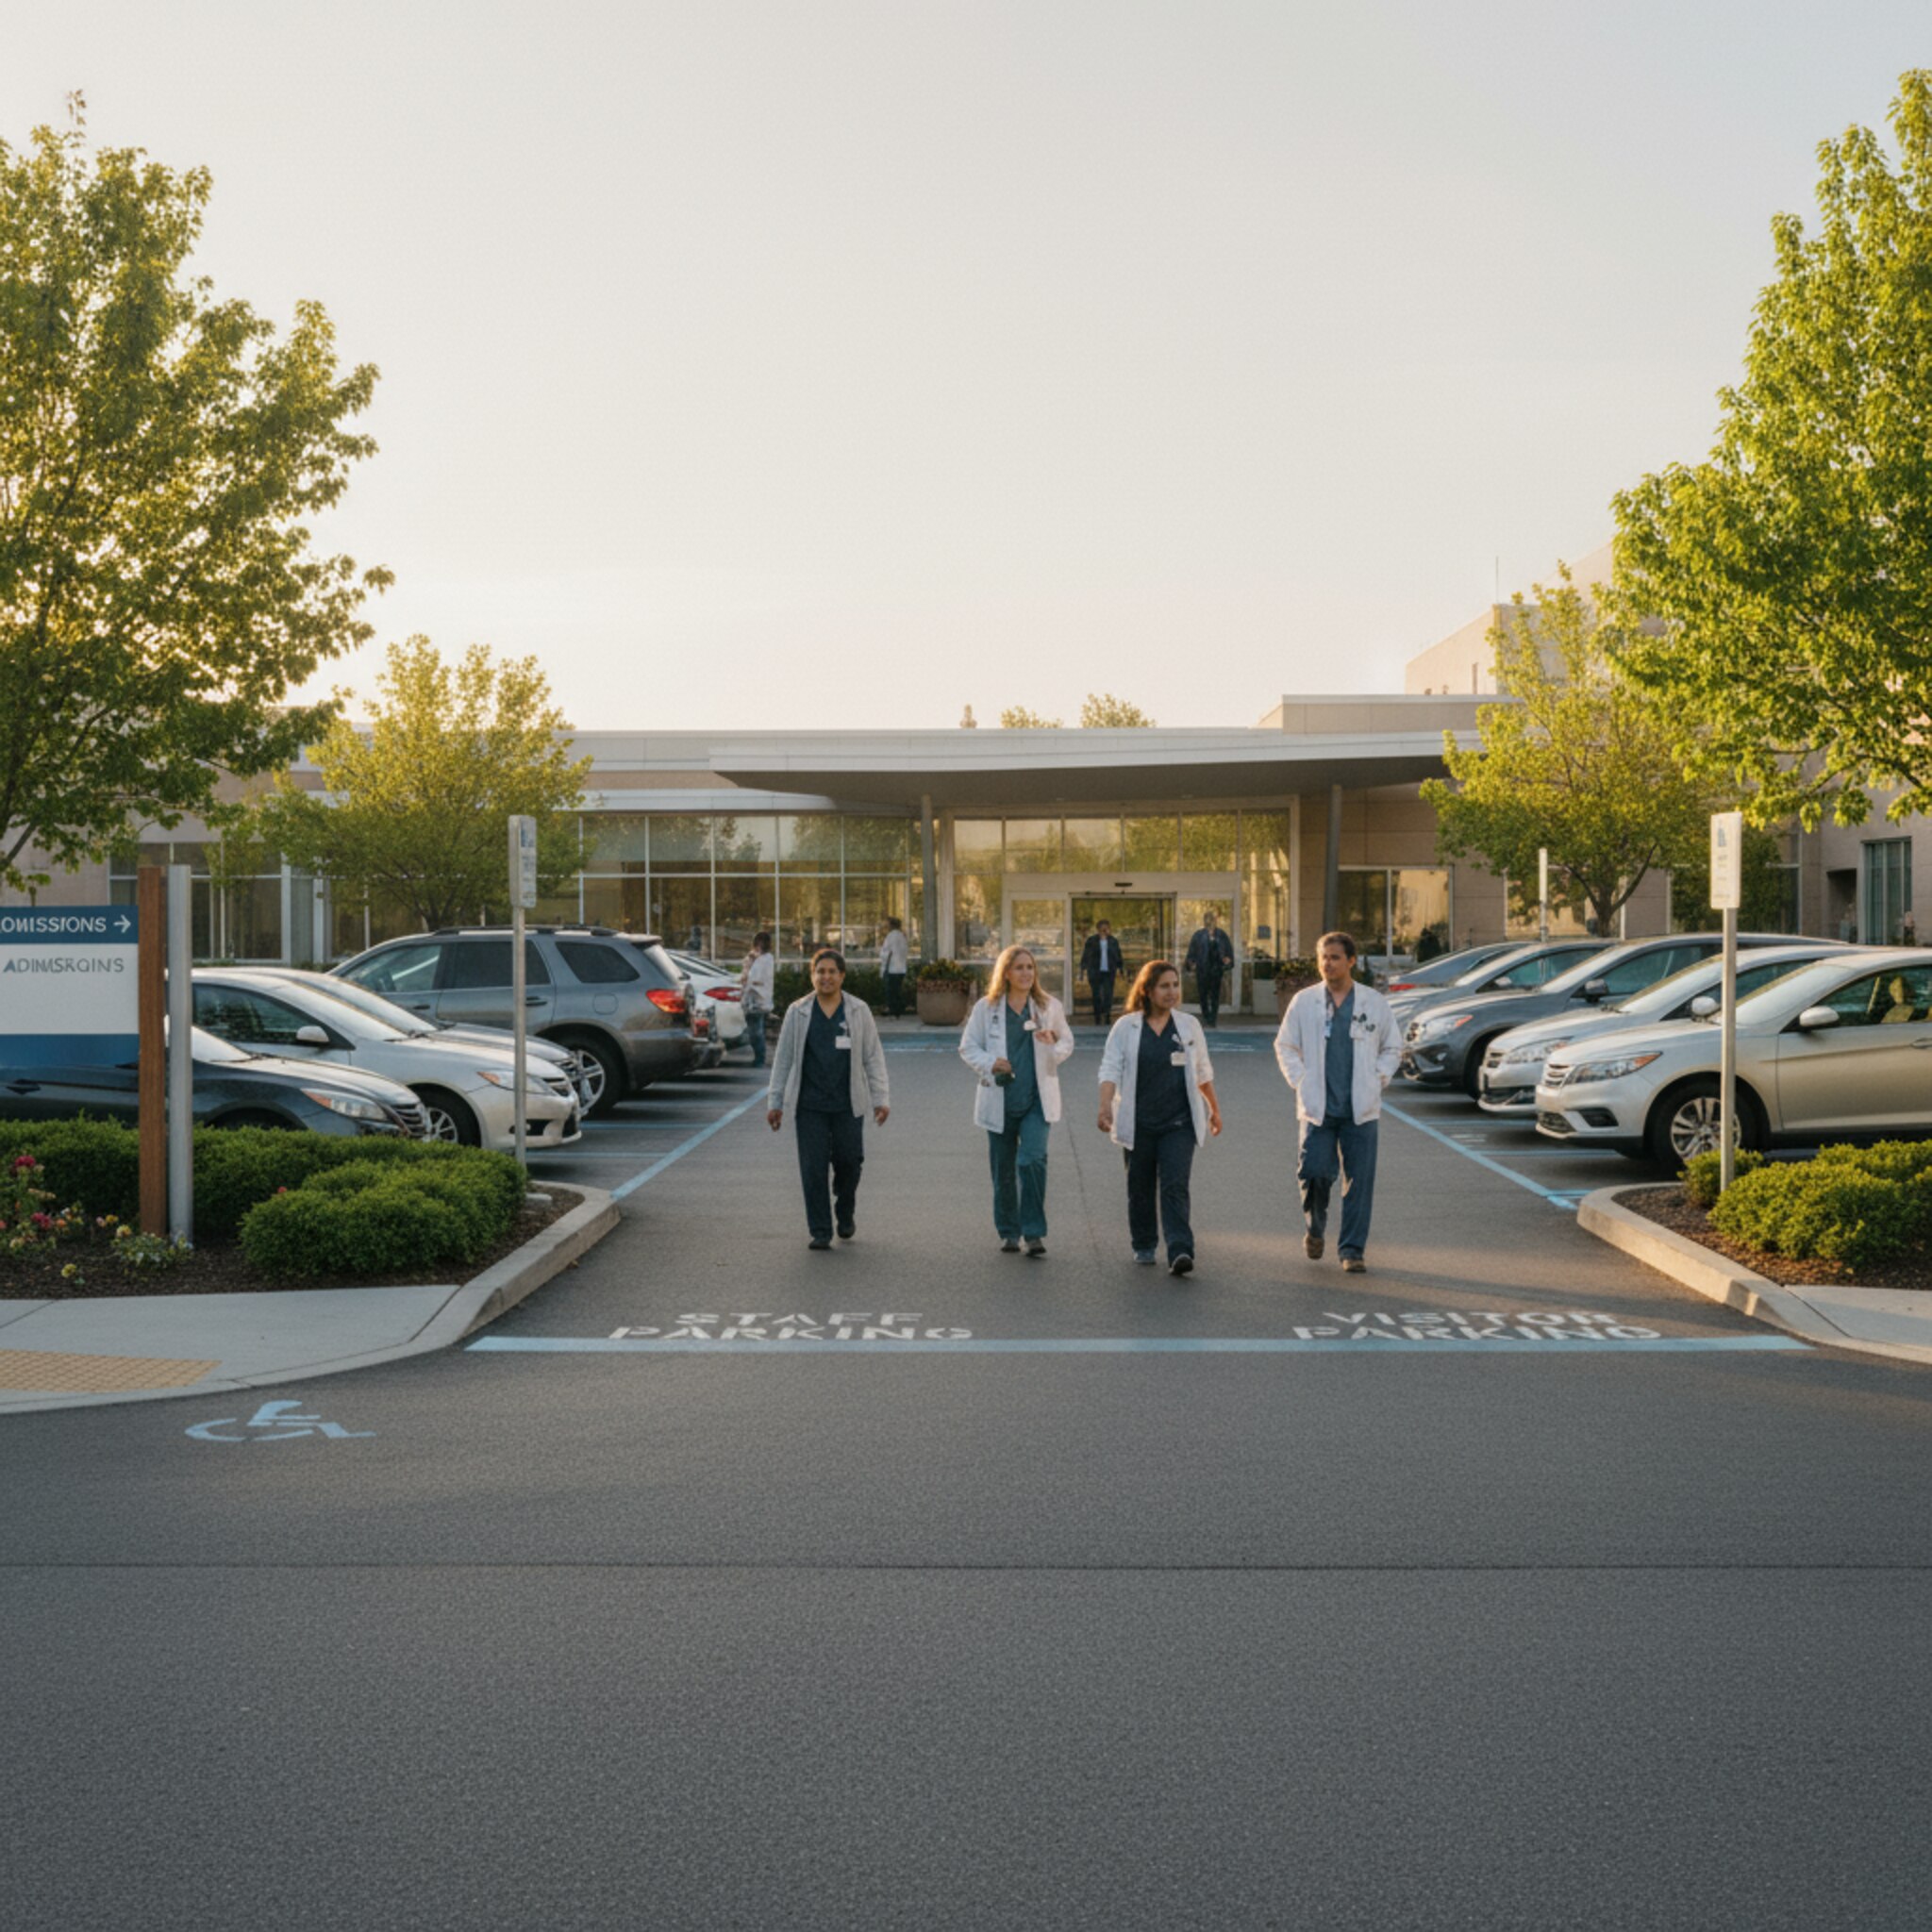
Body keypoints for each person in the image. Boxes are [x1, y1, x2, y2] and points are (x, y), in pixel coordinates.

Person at [1274, 929, 1402, 1274]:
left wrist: (1379, 1077)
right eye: (1322, 958)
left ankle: (1352, 1249)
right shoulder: (1305, 1001)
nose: (1327, 964)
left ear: (1351, 961)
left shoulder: (1373, 1003)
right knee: (1314, 1172)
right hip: (1318, 1107)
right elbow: (1284, 1045)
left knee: (1359, 1181)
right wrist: (1299, 1079)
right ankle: (1315, 1227)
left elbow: (1393, 1046)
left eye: (1334, 957)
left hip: (1360, 1109)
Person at [1097, 959, 1223, 1276]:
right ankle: (1144, 1243)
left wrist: (1213, 1109)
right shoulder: (1126, 1028)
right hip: (1138, 1123)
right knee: (1139, 1187)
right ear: (1148, 991)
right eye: (1164, 986)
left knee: (1174, 1185)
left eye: (1176, 985)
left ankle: (1180, 1249)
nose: (1172, 992)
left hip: (1178, 1123)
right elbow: (1110, 1069)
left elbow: (1202, 1071)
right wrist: (1105, 1106)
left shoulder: (1189, 1025)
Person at [766, 949, 890, 1250]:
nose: (826, 977)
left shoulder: (858, 1011)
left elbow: (873, 1057)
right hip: (810, 1106)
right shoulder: (799, 1011)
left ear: (842, 976)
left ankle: (844, 1209)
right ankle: (820, 1230)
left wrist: (880, 1098)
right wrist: (775, 1101)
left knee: (850, 1162)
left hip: (849, 1103)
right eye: (820, 971)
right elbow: (783, 1059)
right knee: (813, 1168)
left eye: (832, 971)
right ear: (812, 976)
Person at [958, 944, 1074, 1257]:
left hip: (1037, 1098)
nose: (1026, 973)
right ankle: (1009, 1231)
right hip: (1000, 1097)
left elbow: (1067, 1042)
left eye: (1030, 967)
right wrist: (990, 1062)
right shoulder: (987, 1007)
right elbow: (968, 1047)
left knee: (1032, 1160)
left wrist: (1053, 1045)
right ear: (1006, 973)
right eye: (1019, 967)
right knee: (1003, 1170)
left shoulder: (1048, 1006)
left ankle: (1034, 1233)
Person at [1183, 910, 1236, 1027]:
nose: (1209, 922)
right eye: (1207, 919)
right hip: (1202, 969)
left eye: (1211, 919)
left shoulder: (1221, 935)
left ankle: (1213, 1019)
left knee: (1215, 996)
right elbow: (1192, 951)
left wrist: (1228, 961)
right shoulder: (1198, 935)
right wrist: (1191, 962)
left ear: (1215, 921)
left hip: (1216, 970)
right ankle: (1206, 1016)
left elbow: (1228, 951)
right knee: (1203, 995)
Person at [739, 930, 775, 1069]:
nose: (759, 945)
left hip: (758, 1000)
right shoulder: (754, 958)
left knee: (756, 1031)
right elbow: (745, 976)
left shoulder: (766, 959)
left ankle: (760, 1058)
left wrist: (749, 968)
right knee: (754, 1030)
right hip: (752, 1000)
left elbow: (755, 978)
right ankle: (759, 1057)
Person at [1080, 920, 1123, 1027]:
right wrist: (1082, 970)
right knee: (1096, 995)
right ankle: (1097, 1016)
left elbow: (1117, 955)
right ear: (1098, 929)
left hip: (1109, 972)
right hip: (1095, 971)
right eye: (1102, 928)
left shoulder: (1113, 941)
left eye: (1106, 928)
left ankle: (1107, 1014)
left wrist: (1120, 968)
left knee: (1108, 994)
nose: (1104, 930)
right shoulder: (1092, 941)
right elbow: (1086, 955)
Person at [879, 916, 910, 1017]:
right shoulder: (903, 936)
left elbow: (886, 953)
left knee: (891, 990)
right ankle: (898, 1010)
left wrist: (884, 968)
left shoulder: (890, 936)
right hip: (901, 968)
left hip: (892, 968)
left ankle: (892, 1009)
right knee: (897, 990)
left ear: (891, 925)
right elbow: (905, 952)